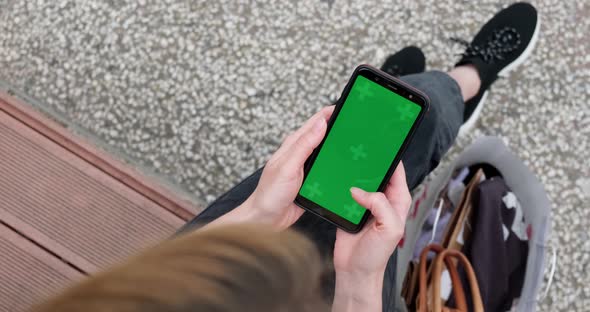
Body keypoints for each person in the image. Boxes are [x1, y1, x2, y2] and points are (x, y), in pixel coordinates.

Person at [33, 2, 538, 312]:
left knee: (322, 173)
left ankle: (396, 101)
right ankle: (466, 81)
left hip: (192, 291)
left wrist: (255, 216)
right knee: (408, 135)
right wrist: (360, 284)